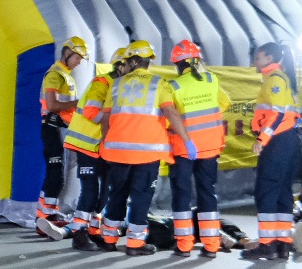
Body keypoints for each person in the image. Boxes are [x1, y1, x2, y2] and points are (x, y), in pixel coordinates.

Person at [94, 39, 193, 255]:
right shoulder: (159, 84)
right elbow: (171, 112)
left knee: (117, 194)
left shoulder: (117, 84)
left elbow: (106, 117)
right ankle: (135, 244)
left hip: (118, 152)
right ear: (147, 62)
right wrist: (186, 139)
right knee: (141, 196)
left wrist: (105, 141)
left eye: (127, 61)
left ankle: (109, 239)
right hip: (147, 153)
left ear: (133, 61)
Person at [166, 40, 229, 257]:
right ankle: (211, 245)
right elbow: (225, 103)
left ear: (178, 64)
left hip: (184, 148)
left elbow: (169, 117)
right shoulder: (211, 79)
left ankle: (184, 245)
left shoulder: (174, 86)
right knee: (207, 192)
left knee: (182, 194)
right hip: (210, 147)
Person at [59, 47, 126, 248]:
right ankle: (79, 233)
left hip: (102, 146)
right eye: (131, 65)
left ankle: (94, 231)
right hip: (86, 144)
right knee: (91, 189)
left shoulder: (121, 86)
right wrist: (112, 126)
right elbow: (91, 111)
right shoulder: (102, 82)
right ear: (120, 65)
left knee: (105, 189)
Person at [243, 41, 302, 260]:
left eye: (258, 58)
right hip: (288, 141)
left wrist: (262, 139)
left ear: (269, 58)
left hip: (278, 142)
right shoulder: (283, 79)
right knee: (282, 192)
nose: (254, 62)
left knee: (267, 191)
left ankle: (267, 244)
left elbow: (277, 114)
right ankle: (282, 244)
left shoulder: (274, 80)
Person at [35, 35, 88, 240]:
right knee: (55, 174)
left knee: (58, 174)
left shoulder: (66, 75)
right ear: (67, 53)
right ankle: (44, 216)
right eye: (77, 57)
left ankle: (48, 214)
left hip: (59, 128)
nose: (79, 62)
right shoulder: (55, 74)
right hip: (51, 128)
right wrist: (78, 103)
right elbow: (53, 105)